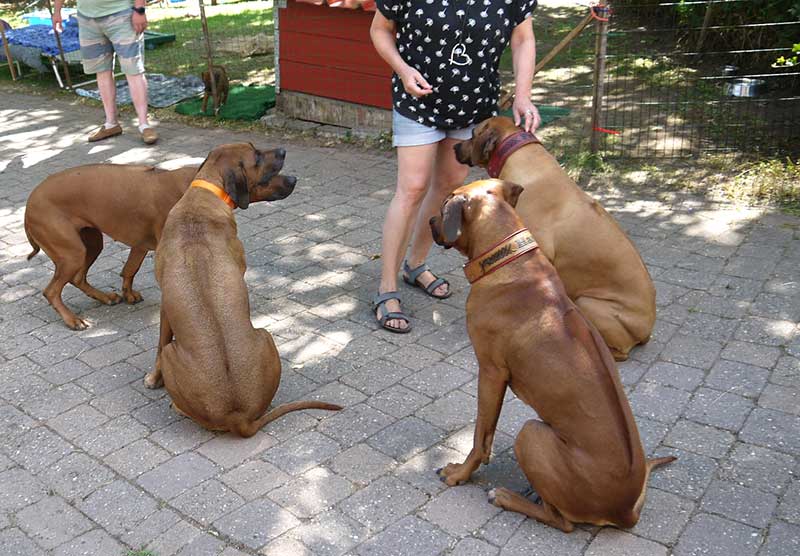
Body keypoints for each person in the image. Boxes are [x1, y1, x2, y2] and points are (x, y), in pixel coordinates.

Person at [370, 0, 541, 333]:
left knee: (449, 185)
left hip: (473, 104)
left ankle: (416, 264)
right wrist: (403, 70)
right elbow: (379, 29)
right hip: (416, 100)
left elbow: (523, 38)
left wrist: (523, 94)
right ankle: (386, 286)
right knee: (413, 187)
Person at [54, 0, 158, 144]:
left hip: (121, 14)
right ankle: (111, 124)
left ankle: (144, 125)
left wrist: (139, 9)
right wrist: (57, 11)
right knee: (101, 71)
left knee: (133, 70)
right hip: (87, 19)